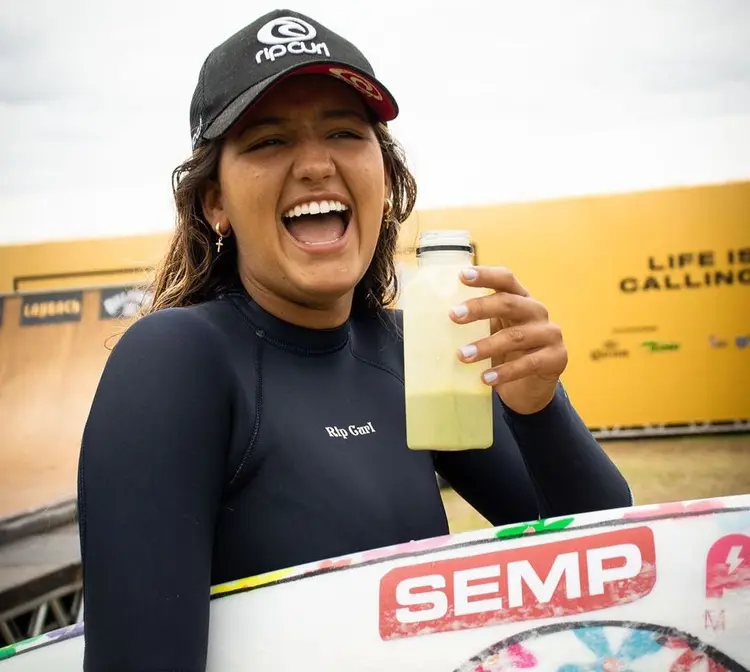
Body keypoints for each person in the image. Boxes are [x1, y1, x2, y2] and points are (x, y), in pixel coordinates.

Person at [77, 8, 633, 671]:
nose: (316, 164)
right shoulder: (177, 362)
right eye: (267, 141)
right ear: (214, 204)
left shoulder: (411, 350)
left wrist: (540, 407)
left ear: (386, 179)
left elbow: (609, 562)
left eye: (344, 132)